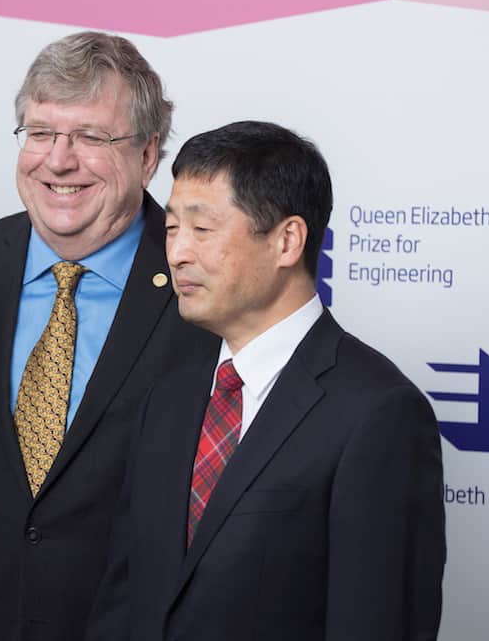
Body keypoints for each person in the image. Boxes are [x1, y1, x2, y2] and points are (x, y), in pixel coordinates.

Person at [87, 120, 446, 641]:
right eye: (171, 229)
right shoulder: (168, 399)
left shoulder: (378, 414)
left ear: (287, 241)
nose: (178, 252)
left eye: (202, 229)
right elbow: (122, 601)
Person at [0, 31, 216, 641]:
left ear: (147, 156)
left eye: (91, 137)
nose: (58, 160)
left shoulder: (207, 287)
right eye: (40, 133)